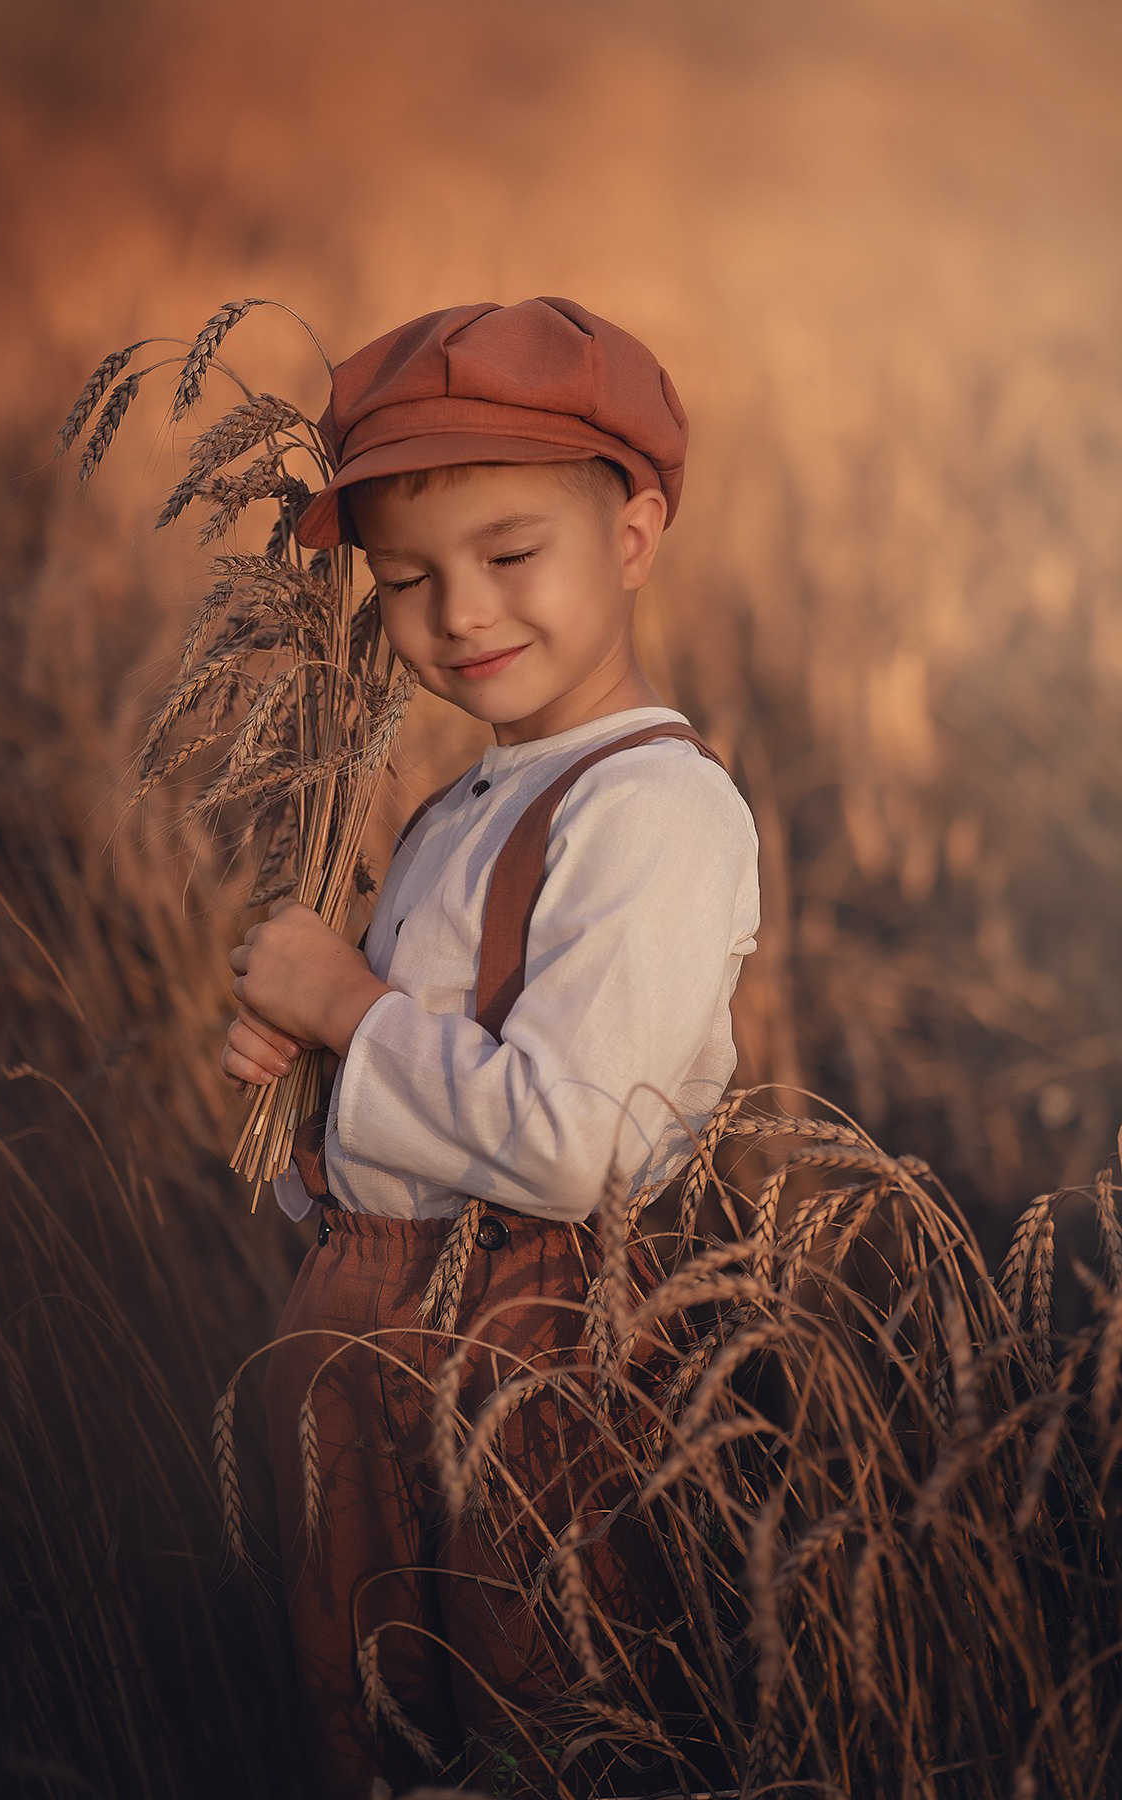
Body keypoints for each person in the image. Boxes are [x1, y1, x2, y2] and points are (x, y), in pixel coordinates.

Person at [221, 297, 760, 1797]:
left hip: (521, 1355)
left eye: (511, 555)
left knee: (537, 1720)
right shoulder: (474, 800)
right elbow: (425, 1069)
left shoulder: (651, 809)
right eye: (406, 580)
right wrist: (315, 1092)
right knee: (373, 1726)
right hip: (366, 1331)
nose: (459, 612)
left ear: (636, 530)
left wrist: (352, 1014)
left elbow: (568, 1140)